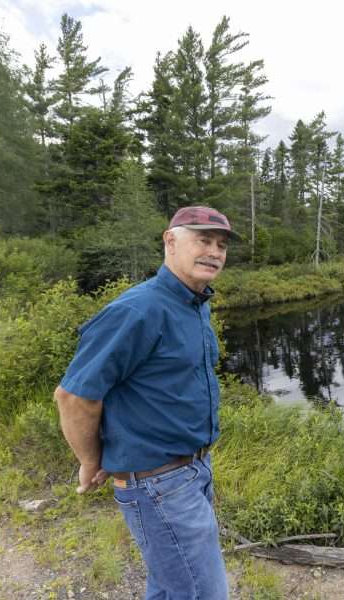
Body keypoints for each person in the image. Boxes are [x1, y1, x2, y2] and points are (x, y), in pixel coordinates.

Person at [54, 206, 240, 599]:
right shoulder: (138, 310)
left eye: (221, 245)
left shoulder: (194, 303)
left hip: (192, 471)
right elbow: (74, 395)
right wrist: (92, 459)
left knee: (170, 586)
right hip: (159, 484)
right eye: (203, 240)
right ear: (170, 241)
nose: (214, 252)